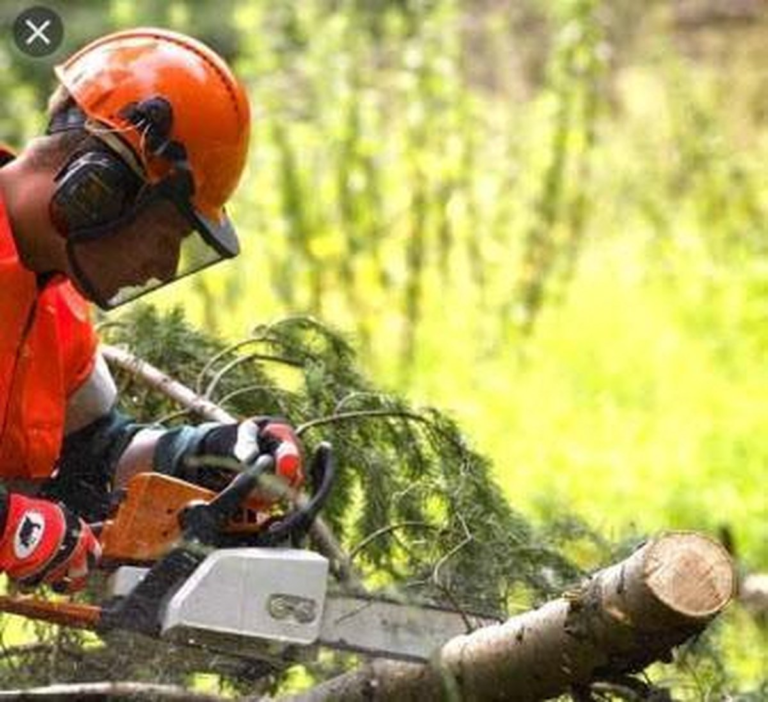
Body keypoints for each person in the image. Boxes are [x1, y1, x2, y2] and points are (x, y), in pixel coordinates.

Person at [0, 28, 303, 593]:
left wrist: (208, 456)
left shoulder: (59, 314)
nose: (164, 267)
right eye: (166, 234)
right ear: (97, 188)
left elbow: (91, 460)